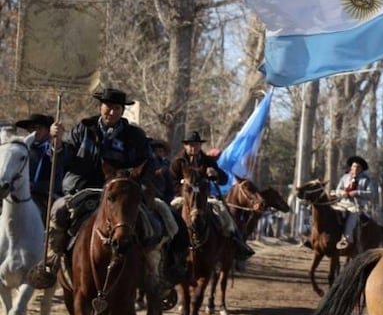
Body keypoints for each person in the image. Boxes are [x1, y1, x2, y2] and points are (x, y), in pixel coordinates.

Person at [46, 88, 179, 299]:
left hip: (123, 193)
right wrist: (57, 143)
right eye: (108, 107)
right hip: (84, 189)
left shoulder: (135, 135)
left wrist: (141, 185)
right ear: (101, 107)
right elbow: (65, 157)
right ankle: (52, 262)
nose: (112, 112)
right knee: (59, 209)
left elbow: (148, 163)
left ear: (122, 111)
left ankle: (156, 273)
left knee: (160, 219)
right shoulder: (83, 129)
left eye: (117, 108)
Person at [170, 131, 254, 261]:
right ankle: (167, 248)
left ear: (200, 146)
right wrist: (184, 190)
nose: (194, 147)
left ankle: (238, 243)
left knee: (224, 214)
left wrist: (216, 174)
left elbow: (224, 179)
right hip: (183, 197)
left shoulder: (207, 161)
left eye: (196, 145)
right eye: (191, 145)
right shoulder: (177, 162)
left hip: (205, 197)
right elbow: (171, 181)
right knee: (169, 214)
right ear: (185, 146)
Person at [15, 112, 62, 216]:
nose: (35, 131)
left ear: (47, 130)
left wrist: (34, 186)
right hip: (19, 192)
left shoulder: (51, 148)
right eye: (32, 128)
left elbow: (57, 182)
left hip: (45, 195)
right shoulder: (21, 149)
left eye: (39, 128)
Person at [332, 155, 377, 250]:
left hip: (357, 205)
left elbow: (371, 194)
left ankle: (346, 240)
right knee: (330, 212)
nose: (355, 169)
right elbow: (337, 190)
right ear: (351, 167)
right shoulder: (345, 177)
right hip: (342, 203)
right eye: (353, 166)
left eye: (358, 167)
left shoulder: (366, 180)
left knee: (352, 216)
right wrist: (342, 192)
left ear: (361, 169)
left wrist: (357, 192)